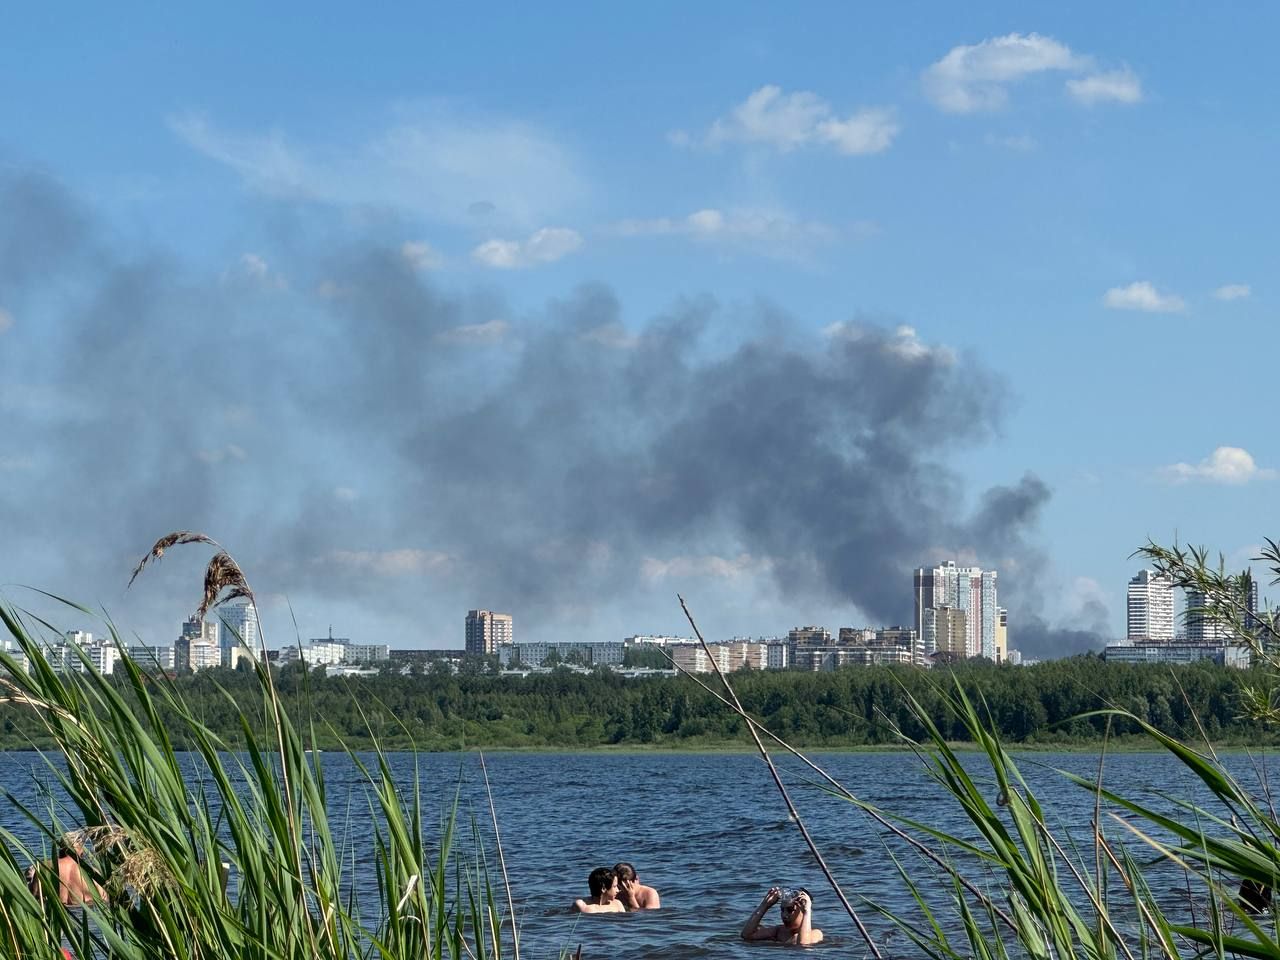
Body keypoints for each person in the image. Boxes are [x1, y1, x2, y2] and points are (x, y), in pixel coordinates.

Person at [26, 835, 106, 908]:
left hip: (57, 915)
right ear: (81, 849)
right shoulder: (92, 873)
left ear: (61, 848)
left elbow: (35, 895)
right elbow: (104, 900)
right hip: (83, 916)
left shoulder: (44, 867)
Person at [741, 886, 823, 945]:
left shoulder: (816, 934)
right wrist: (765, 905)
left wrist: (807, 911)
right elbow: (747, 935)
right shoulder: (779, 931)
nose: (784, 915)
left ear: (803, 910)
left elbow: (803, 944)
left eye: (790, 910)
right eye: (782, 910)